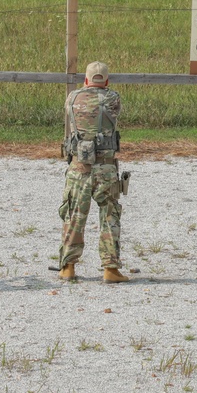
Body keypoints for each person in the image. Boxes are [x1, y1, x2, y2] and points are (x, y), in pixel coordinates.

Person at [56, 61, 130, 283]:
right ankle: (110, 268)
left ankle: (68, 267)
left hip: (78, 166)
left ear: (86, 79)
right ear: (106, 80)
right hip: (106, 167)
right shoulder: (113, 99)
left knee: (74, 215)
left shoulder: (72, 98)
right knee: (110, 216)